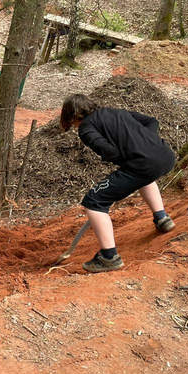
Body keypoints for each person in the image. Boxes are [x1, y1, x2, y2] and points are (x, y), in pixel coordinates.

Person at [60, 94, 176, 273]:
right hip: (165, 156)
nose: (74, 126)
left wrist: (128, 156)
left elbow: (107, 150)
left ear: (73, 115)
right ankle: (162, 218)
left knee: (94, 201)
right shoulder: (115, 112)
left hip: (143, 164)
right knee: (142, 177)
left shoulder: (85, 128)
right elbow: (151, 122)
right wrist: (145, 143)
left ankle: (109, 257)